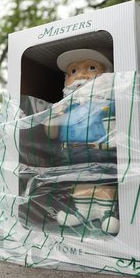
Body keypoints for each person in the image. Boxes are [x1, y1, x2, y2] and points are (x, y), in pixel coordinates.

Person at [45, 49, 120, 234]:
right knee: (78, 180)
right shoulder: (65, 107)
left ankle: (106, 211)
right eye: (73, 71)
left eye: (91, 68)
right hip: (71, 151)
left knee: (102, 179)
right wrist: (52, 118)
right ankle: (83, 212)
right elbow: (51, 134)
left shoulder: (109, 102)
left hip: (101, 149)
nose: (81, 75)